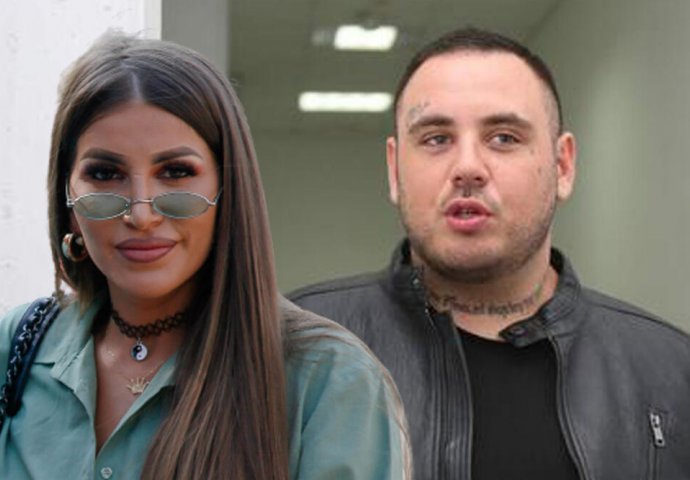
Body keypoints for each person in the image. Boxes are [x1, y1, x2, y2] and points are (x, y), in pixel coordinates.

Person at [0, 34, 410, 479]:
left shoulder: (329, 380)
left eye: (176, 172)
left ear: (228, 190)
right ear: (68, 201)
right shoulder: (18, 348)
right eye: (104, 173)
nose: (141, 214)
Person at [289, 27, 690, 480]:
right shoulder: (292, 349)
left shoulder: (671, 373)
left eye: (503, 138)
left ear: (562, 166)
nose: (467, 168)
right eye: (436, 138)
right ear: (395, 170)